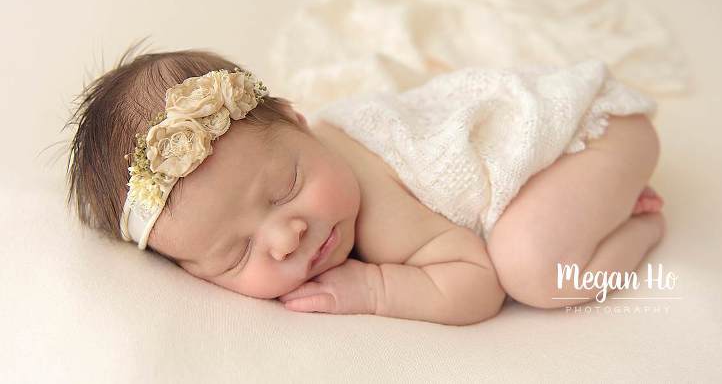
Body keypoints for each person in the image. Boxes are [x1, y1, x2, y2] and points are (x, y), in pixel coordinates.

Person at [65, 43, 664, 326]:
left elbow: (477, 285)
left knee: (532, 270)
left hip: (591, 131)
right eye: (236, 252)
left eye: (285, 189)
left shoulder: (374, 200)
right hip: (574, 148)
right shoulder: (304, 176)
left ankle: (641, 226)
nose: (285, 238)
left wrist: (375, 288)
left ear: (302, 124)